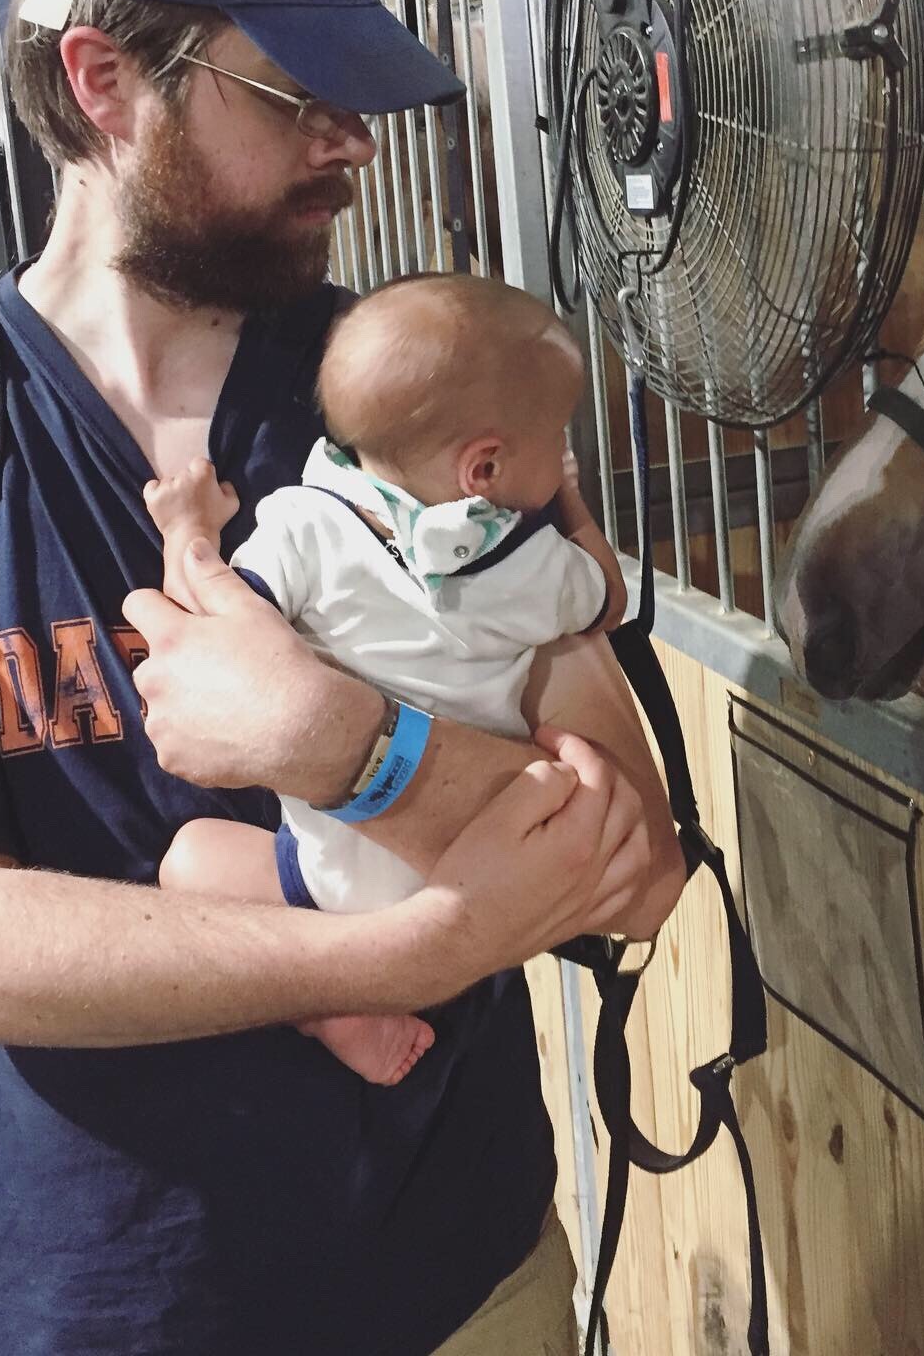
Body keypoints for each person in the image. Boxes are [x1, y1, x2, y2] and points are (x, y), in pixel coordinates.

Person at [0, 0, 684, 1356]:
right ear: (101, 87)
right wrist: (401, 952)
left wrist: (341, 740)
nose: (354, 142)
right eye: (295, 98)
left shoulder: (420, 395)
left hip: (460, 1285)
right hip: (72, 1309)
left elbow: (632, 854)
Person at [148, 272, 629, 1087]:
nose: (564, 455)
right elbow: (609, 598)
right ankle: (377, 978)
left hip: (331, 880)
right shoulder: (531, 569)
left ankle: (332, 998)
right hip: (477, 872)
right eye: (558, 438)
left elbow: (208, 630)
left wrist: (187, 532)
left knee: (188, 861)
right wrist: (572, 506)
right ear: (484, 468)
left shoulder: (304, 525)